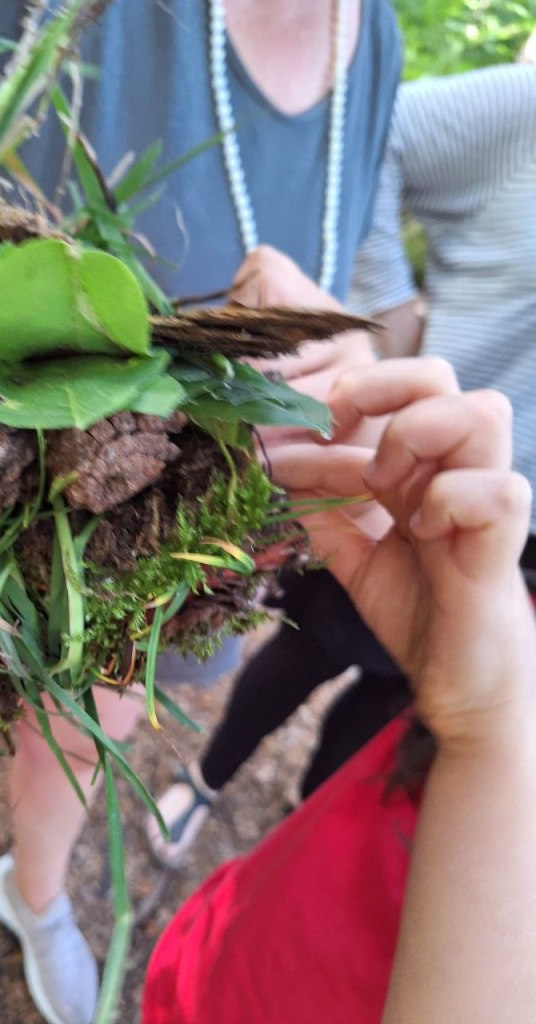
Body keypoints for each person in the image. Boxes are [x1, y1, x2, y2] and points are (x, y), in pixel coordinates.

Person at [0, 0, 399, 1020]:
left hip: (152, 564)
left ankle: (36, 893)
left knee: (78, 737)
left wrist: (345, 358)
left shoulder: (377, 41)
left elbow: (366, 278)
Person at [148, 58, 536, 867]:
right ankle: (208, 776)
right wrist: (385, 320)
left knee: (397, 705)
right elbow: (380, 127)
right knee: (308, 644)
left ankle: (299, 831)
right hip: (418, 487)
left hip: (523, 565)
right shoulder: (523, 112)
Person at [142, 355, 536, 1023]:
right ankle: (209, 779)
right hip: (440, 509)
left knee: (372, 724)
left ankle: (304, 810)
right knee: (307, 651)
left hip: (490, 656)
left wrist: (489, 727)